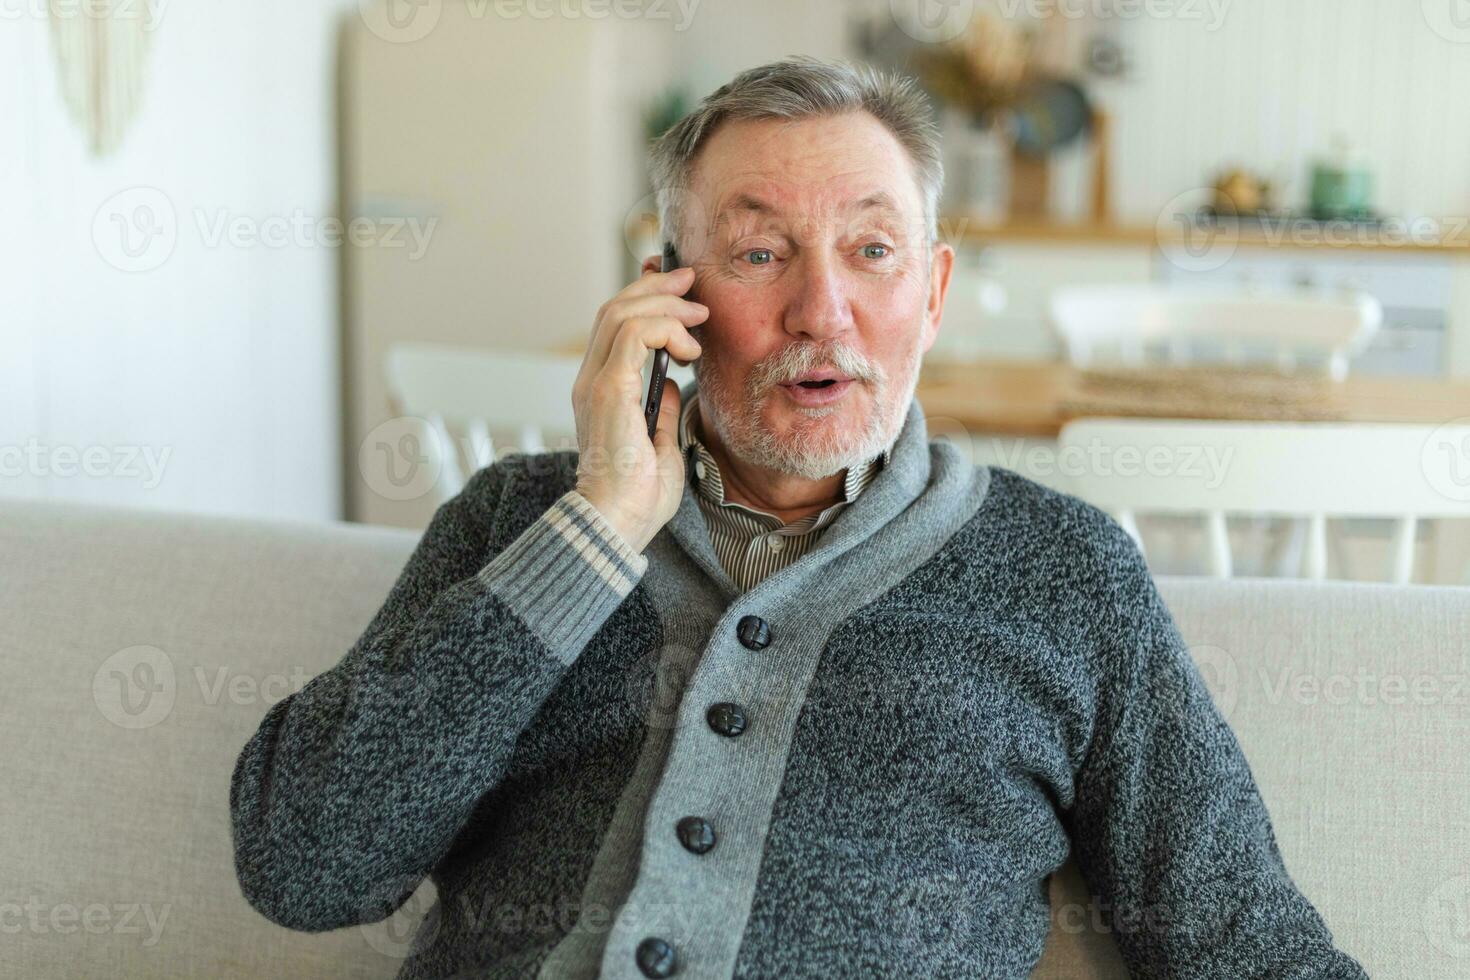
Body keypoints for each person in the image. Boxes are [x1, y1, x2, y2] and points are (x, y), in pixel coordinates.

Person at [230, 56, 1368, 979]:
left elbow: (1242, 938)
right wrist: (600, 526)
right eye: (761, 251)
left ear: (931, 292)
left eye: (873, 251)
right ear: (668, 291)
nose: (823, 310)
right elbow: (304, 865)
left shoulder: (1066, 572)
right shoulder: (524, 522)